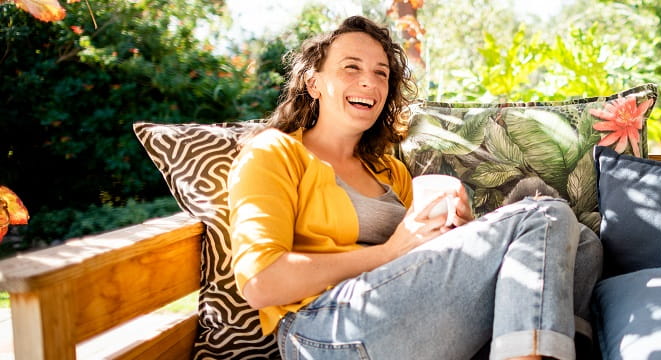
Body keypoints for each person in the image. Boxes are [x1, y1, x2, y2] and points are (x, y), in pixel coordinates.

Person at [227, 15, 603, 360]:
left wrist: (465, 232)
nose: (368, 82)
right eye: (351, 68)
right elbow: (262, 281)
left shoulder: (390, 170)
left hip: (402, 315)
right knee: (545, 215)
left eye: (381, 73)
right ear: (314, 83)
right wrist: (388, 252)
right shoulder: (273, 152)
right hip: (323, 332)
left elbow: (417, 262)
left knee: (582, 243)